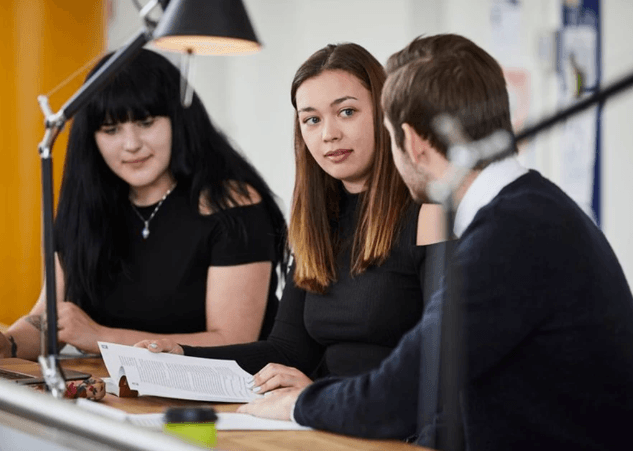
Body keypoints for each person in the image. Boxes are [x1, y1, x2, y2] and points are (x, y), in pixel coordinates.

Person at [237, 34, 633, 450]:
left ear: (412, 142)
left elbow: (400, 394)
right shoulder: (533, 210)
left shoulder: (511, 234)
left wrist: (300, 404)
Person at [136, 43, 445, 389]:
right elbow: (287, 351)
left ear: (384, 112)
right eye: (312, 120)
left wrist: (317, 397)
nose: (329, 134)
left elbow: (443, 364)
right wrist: (183, 356)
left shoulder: (430, 214)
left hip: (380, 416)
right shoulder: (319, 222)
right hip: (322, 413)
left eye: (347, 112)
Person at [0, 49, 288, 360]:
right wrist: (8, 343)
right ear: (91, 138)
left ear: (178, 119)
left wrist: (101, 337)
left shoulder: (231, 204)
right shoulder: (86, 206)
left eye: (146, 123)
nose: (131, 144)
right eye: (111, 130)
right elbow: (50, 319)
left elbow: (233, 340)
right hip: (114, 387)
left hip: (225, 388)